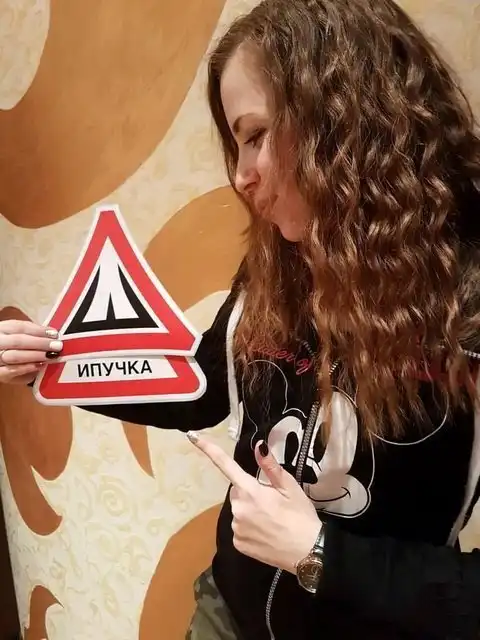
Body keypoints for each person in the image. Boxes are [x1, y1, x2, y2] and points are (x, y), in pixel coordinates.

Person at [1, 0, 480, 637]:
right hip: (226, 611)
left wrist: (321, 555)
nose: (239, 176)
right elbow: (203, 384)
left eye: (255, 136)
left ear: (343, 115)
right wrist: (54, 364)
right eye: (235, 144)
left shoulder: (467, 298)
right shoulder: (279, 269)